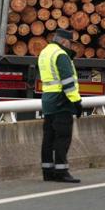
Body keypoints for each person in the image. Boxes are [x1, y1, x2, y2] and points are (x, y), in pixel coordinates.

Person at [38, 29, 82, 183]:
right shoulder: (61, 55)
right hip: (62, 101)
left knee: (48, 137)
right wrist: (76, 101)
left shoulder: (45, 52)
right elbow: (68, 82)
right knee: (62, 137)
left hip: (48, 100)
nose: (71, 47)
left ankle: (47, 171)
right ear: (64, 41)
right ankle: (61, 171)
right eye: (70, 43)